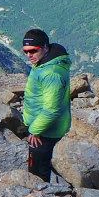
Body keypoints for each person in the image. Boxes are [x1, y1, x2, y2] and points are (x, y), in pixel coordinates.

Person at [21, 28, 71, 182]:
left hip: (46, 131)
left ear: (44, 47)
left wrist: (35, 131)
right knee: (40, 163)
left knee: (37, 170)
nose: (29, 55)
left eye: (33, 51)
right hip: (43, 125)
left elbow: (51, 109)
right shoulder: (45, 62)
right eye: (26, 52)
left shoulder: (51, 74)